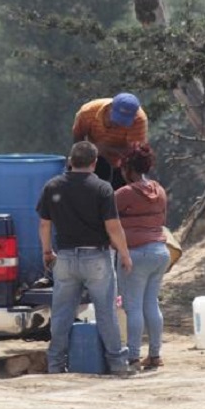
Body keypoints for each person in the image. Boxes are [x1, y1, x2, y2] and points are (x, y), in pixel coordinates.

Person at [36, 141, 135, 376]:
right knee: (106, 312)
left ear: (70, 161)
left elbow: (44, 224)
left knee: (62, 313)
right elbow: (113, 227)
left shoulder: (52, 186)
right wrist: (124, 253)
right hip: (97, 257)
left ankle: (56, 364)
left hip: (66, 258)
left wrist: (47, 252)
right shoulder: (102, 188)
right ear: (94, 163)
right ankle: (118, 365)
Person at [115, 142, 170, 371]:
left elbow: (109, 221)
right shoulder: (160, 191)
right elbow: (163, 220)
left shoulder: (124, 194)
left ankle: (133, 357)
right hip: (159, 252)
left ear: (127, 167)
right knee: (151, 304)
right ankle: (155, 355)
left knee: (133, 307)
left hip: (135, 254)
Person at [72, 93, 148, 190]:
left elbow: (135, 153)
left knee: (121, 193)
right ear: (109, 108)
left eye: (123, 122)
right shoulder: (87, 112)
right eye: (116, 119)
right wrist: (84, 157)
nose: (118, 124)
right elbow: (78, 138)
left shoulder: (138, 119)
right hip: (94, 159)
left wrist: (106, 149)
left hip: (123, 163)